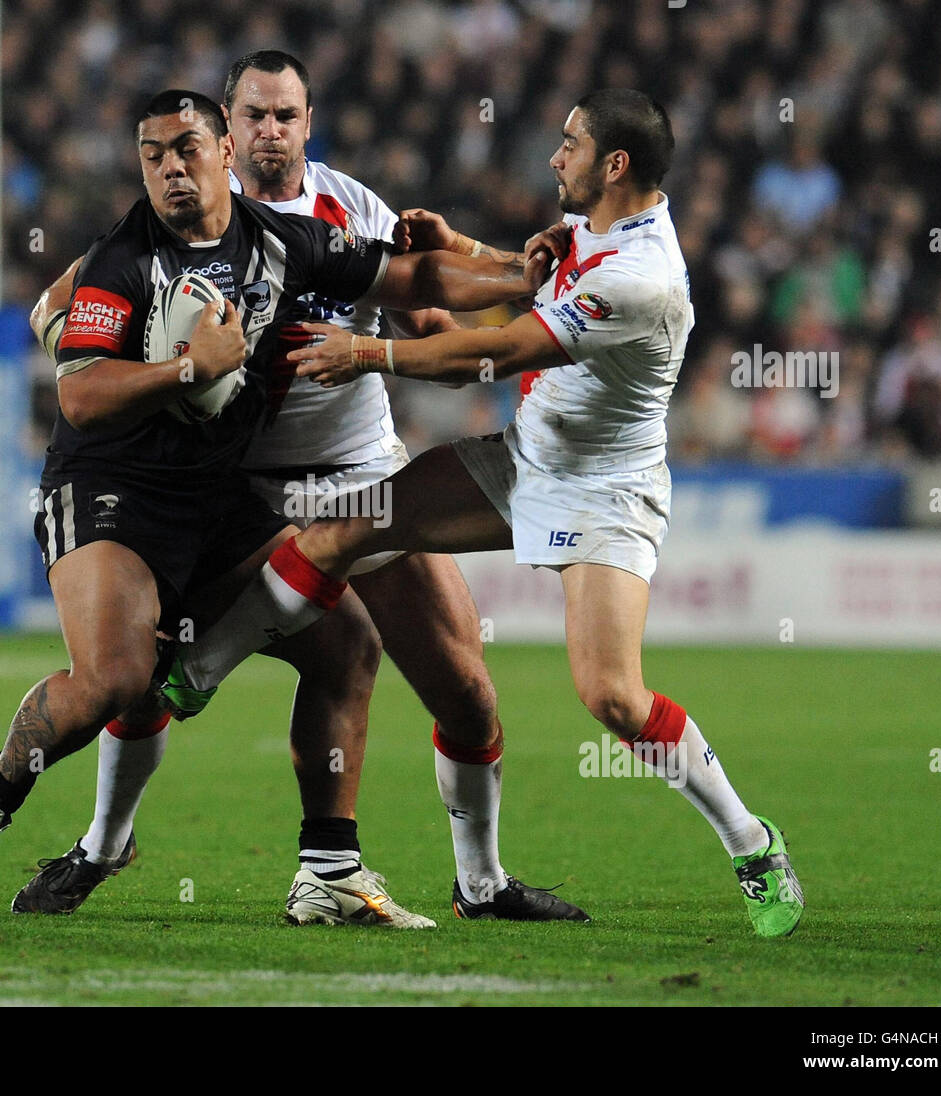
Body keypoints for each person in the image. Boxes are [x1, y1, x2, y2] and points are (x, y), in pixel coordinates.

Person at [160, 89, 805, 938]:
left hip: (606, 489)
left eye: (569, 144)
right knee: (351, 526)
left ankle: (753, 842)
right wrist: (466, 247)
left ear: (614, 164)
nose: (553, 157)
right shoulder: (608, 226)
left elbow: (496, 351)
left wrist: (371, 352)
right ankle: (198, 672)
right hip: (526, 458)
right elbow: (541, 272)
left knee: (610, 694)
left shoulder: (642, 278)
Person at [0, 88, 540, 920]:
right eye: (152, 156)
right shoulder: (122, 257)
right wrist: (188, 368)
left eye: (185, 148)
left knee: (347, 642)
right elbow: (82, 395)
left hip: (221, 498)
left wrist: (521, 270)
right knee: (114, 678)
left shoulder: (290, 238)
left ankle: (326, 870)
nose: (171, 169)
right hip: (112, 488)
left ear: (223, 154)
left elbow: (416, 274)